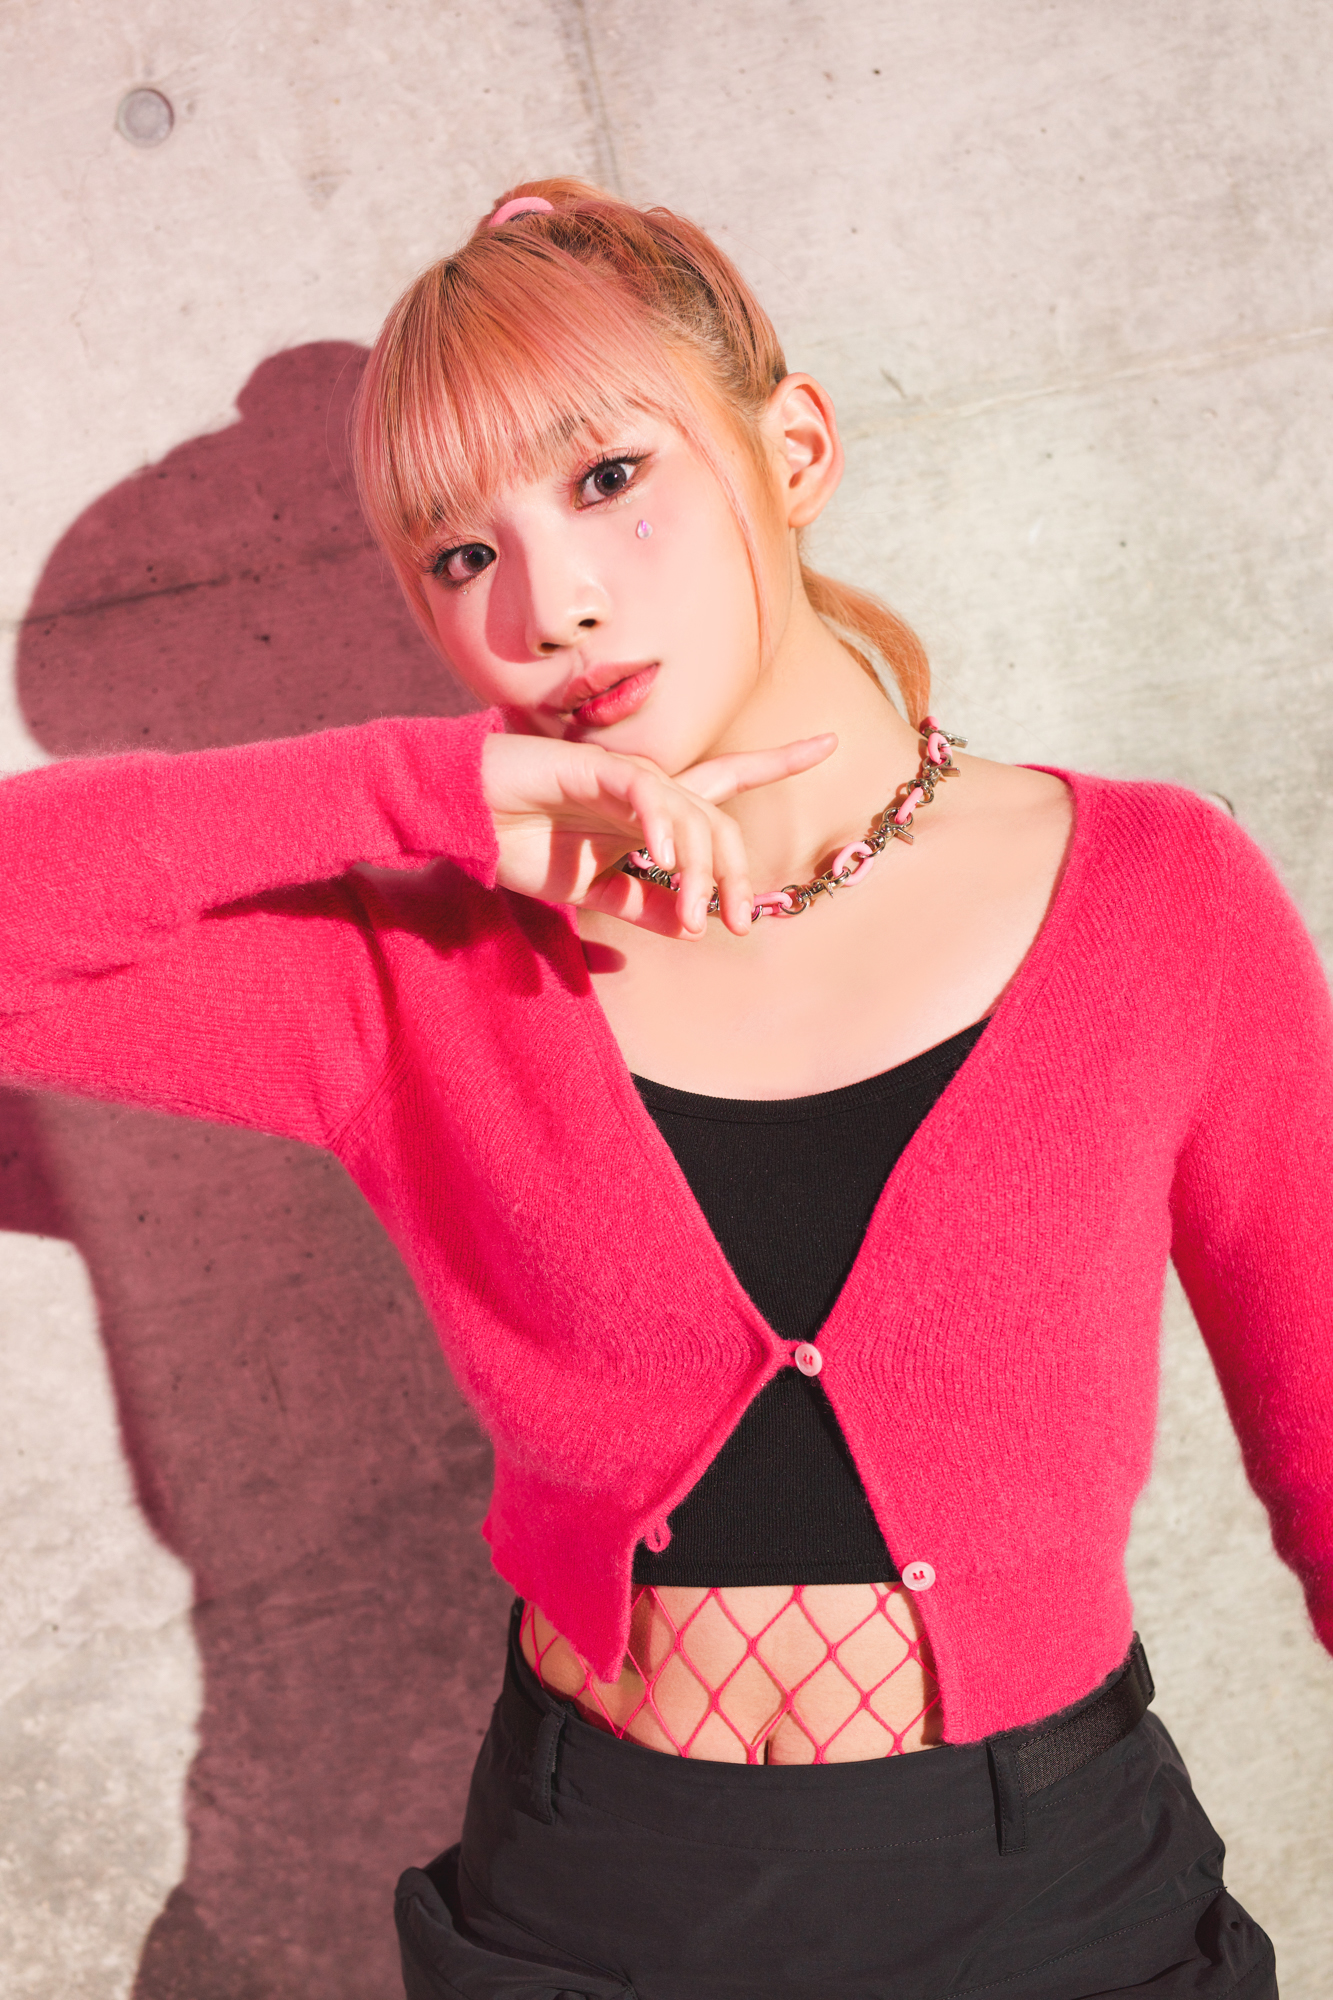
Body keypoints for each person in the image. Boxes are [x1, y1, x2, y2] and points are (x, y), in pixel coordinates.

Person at [2, 178, 1327, 1999]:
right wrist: (420, 790)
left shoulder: (1157, 898)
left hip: (1054, 1904)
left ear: (793, 449)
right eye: (458, 557)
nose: (548, 605)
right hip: (592, 1901)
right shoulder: (415, 973)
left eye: (609, 477)